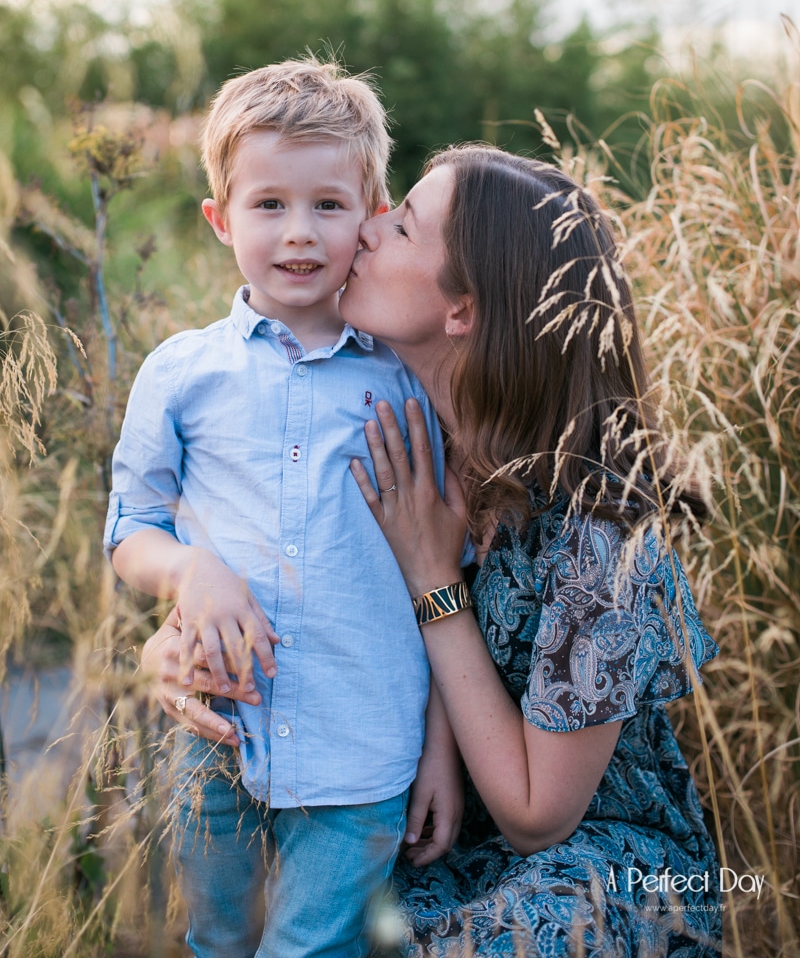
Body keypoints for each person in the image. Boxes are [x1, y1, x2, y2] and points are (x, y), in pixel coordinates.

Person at [144, 144, 722, 956]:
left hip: (600, 868)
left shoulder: (600, 542)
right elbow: (274, 561)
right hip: (423, 825)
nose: (369, 229)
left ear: (462, 311)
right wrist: (174, 634)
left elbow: (535, 819)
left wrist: (432, 576)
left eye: (405, 226)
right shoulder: (387, 429)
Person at [104, 59, 462, 958]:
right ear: (221, 219)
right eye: (268, 205)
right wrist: (192, 568)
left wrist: (438, 752)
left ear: (372, 219)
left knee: (311, 950)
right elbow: (129, 530)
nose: (299, 233)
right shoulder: (182, 374)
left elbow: (444, 579)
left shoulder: (405, 384)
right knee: (215, 937)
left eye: (329, 206)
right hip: (217, 728)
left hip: (363, 744)